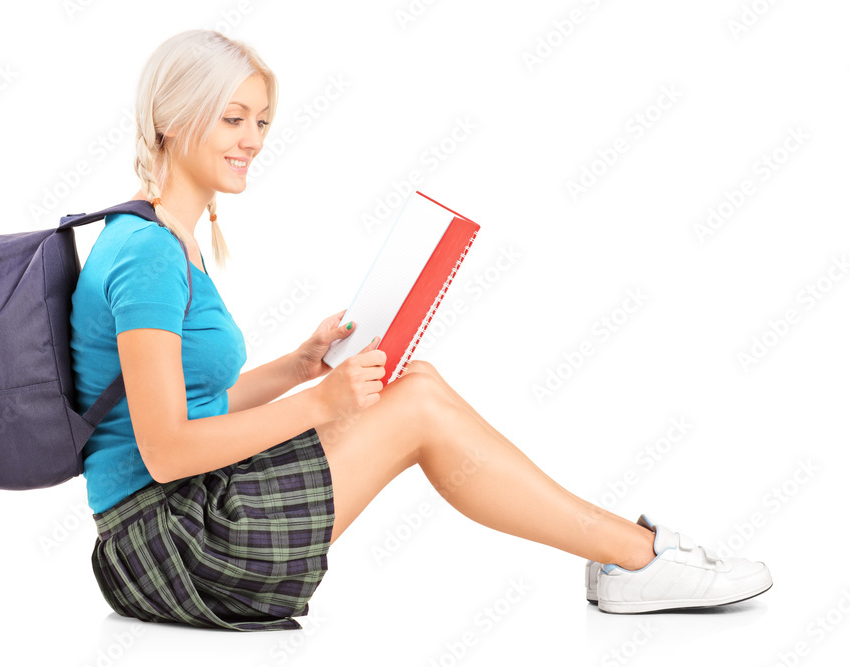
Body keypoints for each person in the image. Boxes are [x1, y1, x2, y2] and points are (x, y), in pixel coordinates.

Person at [69, 29, 772, 632]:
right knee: (419, 405)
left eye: (261, 121)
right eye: (233, 118)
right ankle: (636, 558)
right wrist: (320, 405)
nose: (252, 139)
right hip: (176, 545)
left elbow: (187, 407)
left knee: (418, 381)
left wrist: (300, 367)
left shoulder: (158, 238)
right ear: (173, 118)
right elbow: (163, 451)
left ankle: (627, 556)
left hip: (166, 530)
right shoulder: (148, 254)